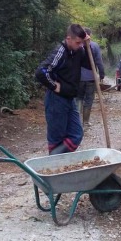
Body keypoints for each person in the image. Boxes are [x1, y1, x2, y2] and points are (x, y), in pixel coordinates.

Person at [35, 24, 91, 155]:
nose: (80, 45)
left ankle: (60, 165)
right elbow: (41, 72)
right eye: (78, 42)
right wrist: (54, 86)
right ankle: (55, 169)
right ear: (68, 39)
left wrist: (88, 47)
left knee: (76, 134)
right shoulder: (60, 52)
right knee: (57, 139)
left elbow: (89, 64)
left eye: (82, 43)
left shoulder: (79, 50)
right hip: (56, 100)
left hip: (70, 98)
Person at [75, 27, 105, 127]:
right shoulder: (95, 46)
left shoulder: (77, 45)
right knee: (88, 99)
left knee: (79, 98)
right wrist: (102, 73)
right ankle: (85, 122)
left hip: (79, 78)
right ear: (89, 35)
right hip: (91, 78)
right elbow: (99, 61)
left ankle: (77, 121)